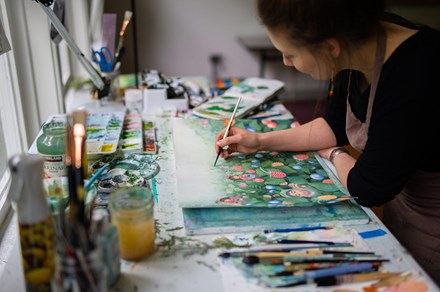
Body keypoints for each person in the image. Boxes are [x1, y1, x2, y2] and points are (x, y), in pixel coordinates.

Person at [214, 0, 440, 284]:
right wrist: (258, 140)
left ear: (330, 47)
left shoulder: (415, 73)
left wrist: (333, 154)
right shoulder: (353, 41)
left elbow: (367, 187)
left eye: (290, 54)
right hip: (403, 202)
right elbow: (333, 127)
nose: (285, 62)